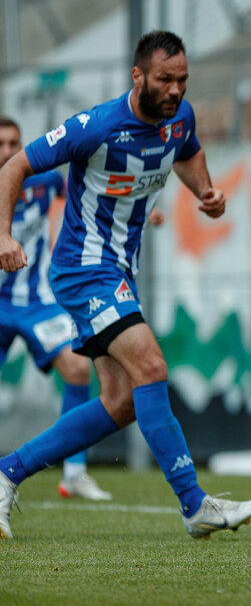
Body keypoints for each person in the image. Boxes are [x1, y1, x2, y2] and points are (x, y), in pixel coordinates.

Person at [0, 30, 251, 541]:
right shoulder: (95, 126)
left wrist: (205, 191)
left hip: (119, 272)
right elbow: (15, 166)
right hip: (83, 270)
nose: (175, 90)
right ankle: (194, 505)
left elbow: (188, 152)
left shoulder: (178, 117)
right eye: (165, 79)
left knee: (120, 401)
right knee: (152, 366)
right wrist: (2, 233)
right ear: (138, 76)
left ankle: (8, 471)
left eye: (183, 80)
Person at [0, 117, 112, 501]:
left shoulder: (43, 181)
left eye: (13, 143)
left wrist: (143, 215)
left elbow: (87, 196)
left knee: (79, 367)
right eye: (0, 143)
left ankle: (75, 473)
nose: (7, 151)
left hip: (36, 303)